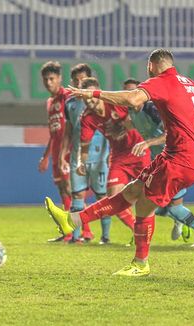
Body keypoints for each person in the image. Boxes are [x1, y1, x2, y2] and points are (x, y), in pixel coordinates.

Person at [45, 49, 194, 276]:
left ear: (152, 65)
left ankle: (140, 263)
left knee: (144, 205)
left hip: (181, 159)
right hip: (183, 154)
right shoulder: (189, 83)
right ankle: (73, 220)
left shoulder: (161, 81)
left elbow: (132, 99)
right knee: (132, 191)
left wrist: (94, 93)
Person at [123, 78, 194, 245]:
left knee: (174, 207)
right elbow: (128, 126)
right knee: (148, 204)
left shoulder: (152, 110)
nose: (132, 96)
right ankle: (179, 220)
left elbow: (169, 134)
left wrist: (148, 142)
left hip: (175, 160)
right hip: (159, 162)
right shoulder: (132, 113)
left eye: (134, 92)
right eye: (128, 92)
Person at [75, 76, 151, 244]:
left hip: (139, 152)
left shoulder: (115, 102)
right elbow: (85, 145)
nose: (91, 104)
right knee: (114, 200)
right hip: (118, 157)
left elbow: (137, 119)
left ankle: (184, 221)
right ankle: (138, 233)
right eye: (87, 101)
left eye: (93, 99)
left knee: (152, 198)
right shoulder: (87, 117)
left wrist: (122, 127)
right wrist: (81, 162)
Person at [60, 63, 111, 244]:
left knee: (101, 197)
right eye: (75, 80)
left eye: (81, 79)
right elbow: (68, 130)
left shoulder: (101, 100)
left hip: (100, 157)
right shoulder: (71, 104)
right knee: (77, 196)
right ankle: (76, 237)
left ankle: (105, 237)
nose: (78, 83)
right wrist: (62, 155)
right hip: (78, 155)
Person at [38, 61, 72, 242]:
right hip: (56, 149)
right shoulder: (50, 102)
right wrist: (45, 156)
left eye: (52, 78)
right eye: (45, 80)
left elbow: (71, 125)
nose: (48, 82)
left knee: (70, 189)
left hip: (68, 149)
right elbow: (53, 132)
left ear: (59, 78)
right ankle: (69, 232)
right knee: (62, 189)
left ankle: (82, 232)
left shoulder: (67, 96)